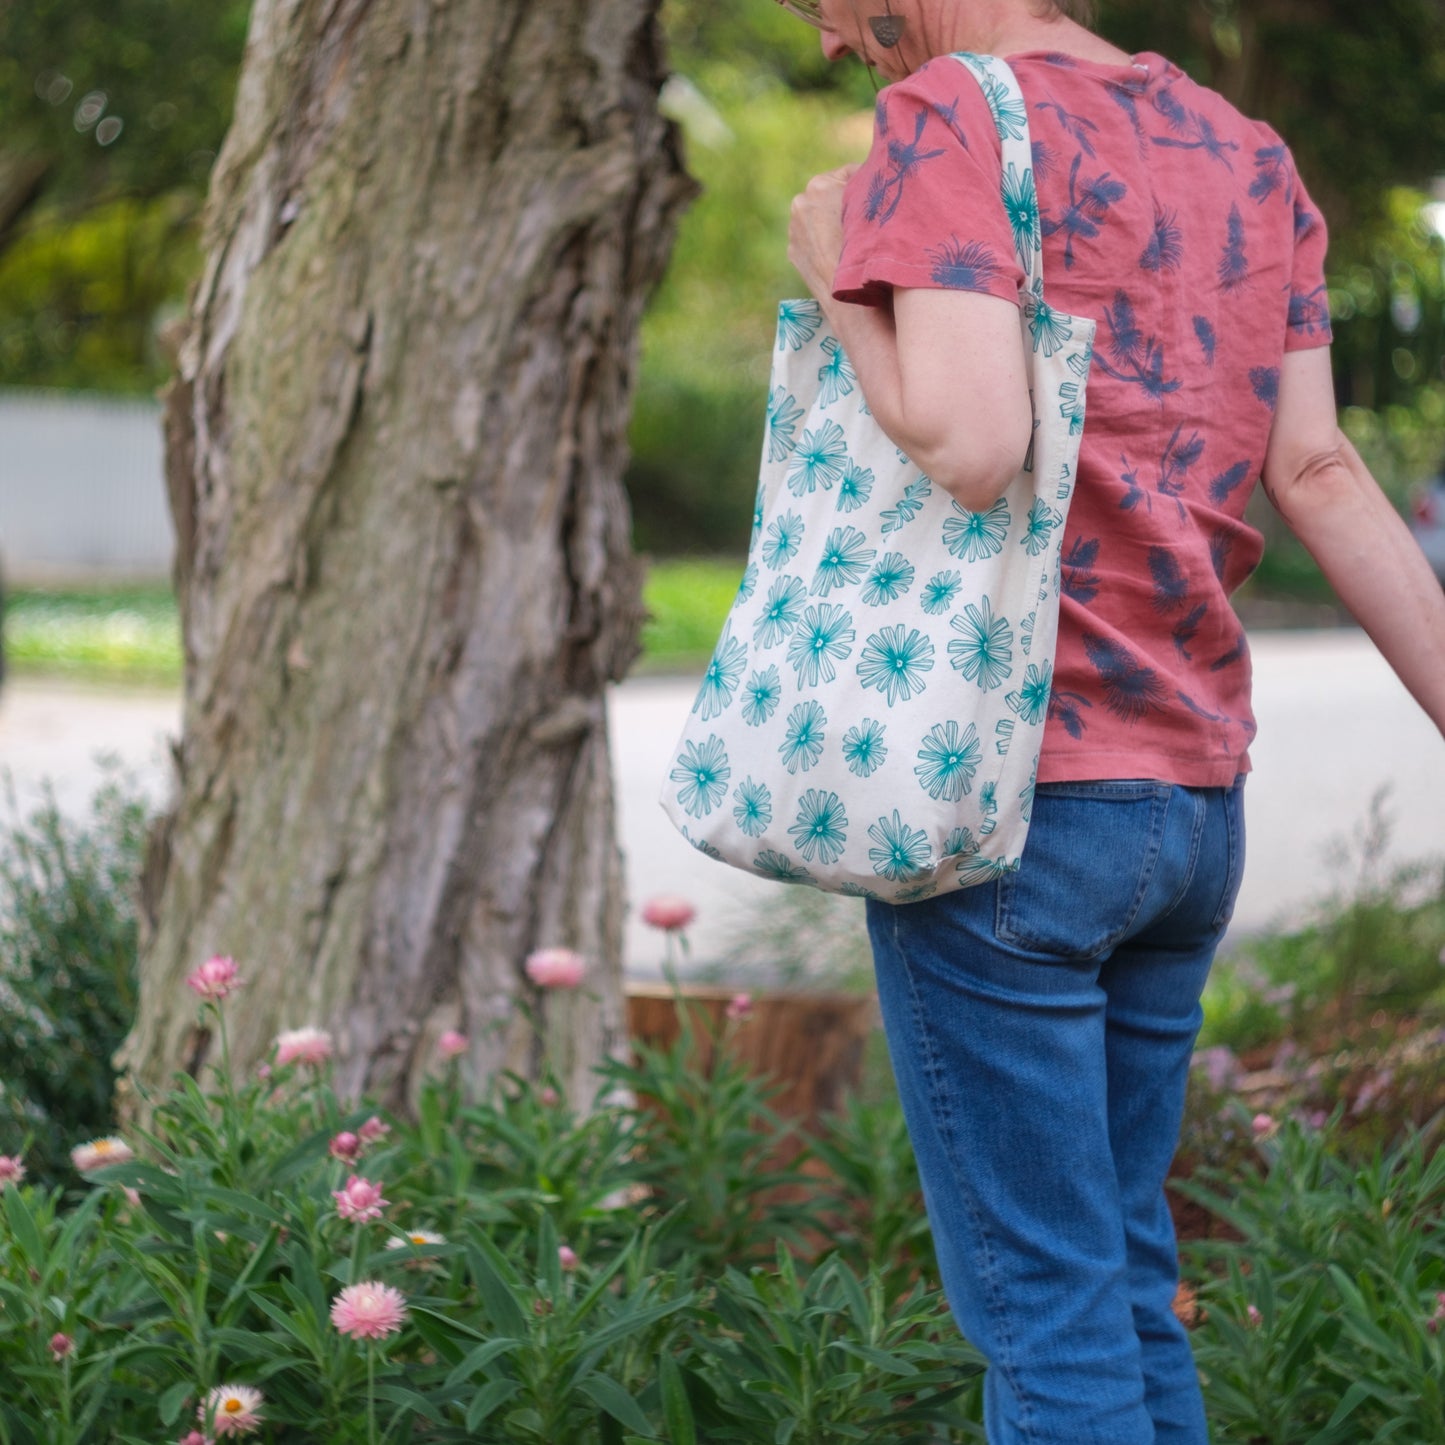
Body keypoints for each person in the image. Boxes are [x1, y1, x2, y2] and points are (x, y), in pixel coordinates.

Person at [778, 0, 1445, 1439]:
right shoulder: (1245, 152)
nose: (829, 40)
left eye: (817, 1)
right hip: (1188, 808)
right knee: (1127, 1289)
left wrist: (836, 282)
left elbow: (970, 439)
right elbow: (1318, 470)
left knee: (1048, 1320)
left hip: (1008, 801)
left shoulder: (949, 111)